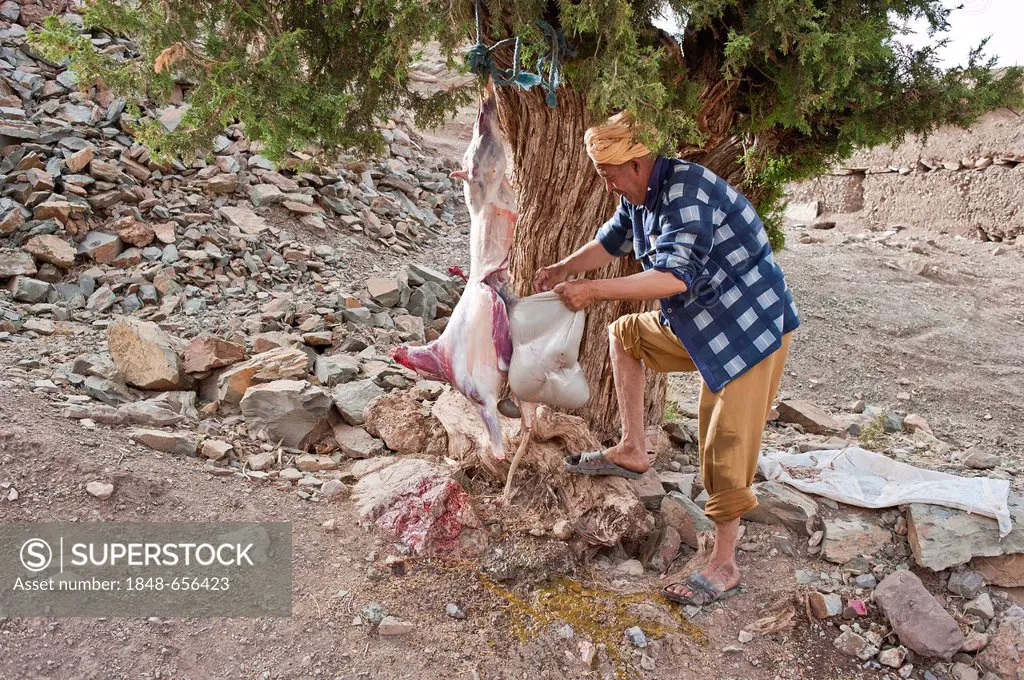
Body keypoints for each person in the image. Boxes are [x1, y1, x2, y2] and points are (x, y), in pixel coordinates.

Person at [535, 112, 800, 607]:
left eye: (610, 174)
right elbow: (611, 241)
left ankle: (724, 564)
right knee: (627, 335)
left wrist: (593, 290)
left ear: (636, 163)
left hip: (747, 327)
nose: (608, 183)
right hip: (698, 321)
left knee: (724, 442)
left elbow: (674, 277)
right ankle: (634, 448)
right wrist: (566, 268)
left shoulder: (686, 192)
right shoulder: (638, 194)